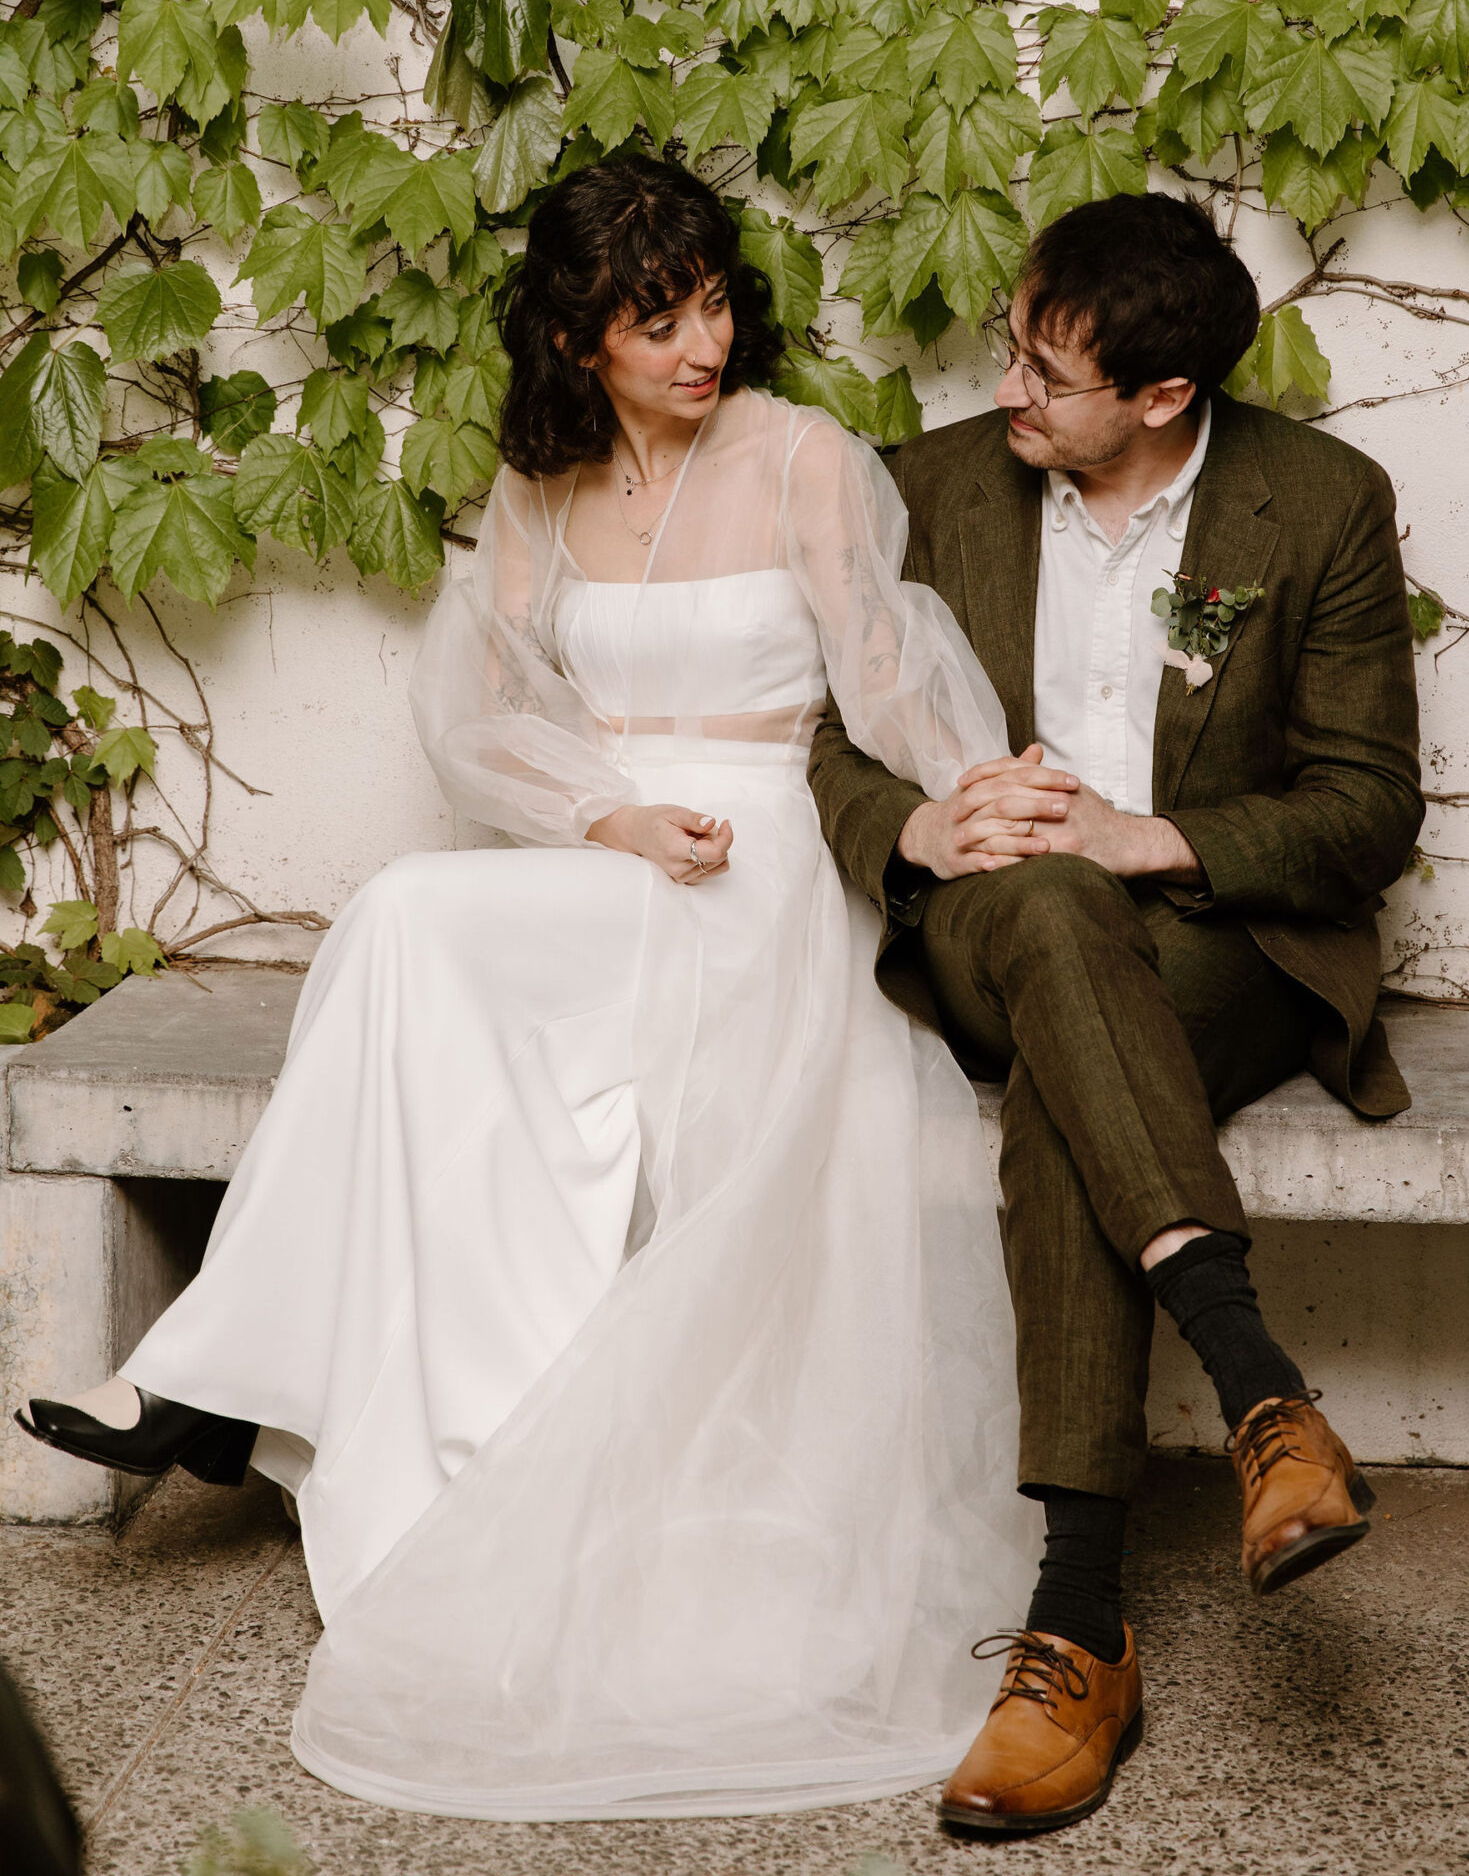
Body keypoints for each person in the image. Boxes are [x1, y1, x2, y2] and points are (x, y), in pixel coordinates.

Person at [14, 156, 1040, 1820]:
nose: (701, 342)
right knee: (412, 923)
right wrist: (605, 810)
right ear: (575, 341)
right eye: (657, 319)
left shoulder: (803, 458)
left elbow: (883, 674)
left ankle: (211, 1377)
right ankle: (215, 1374)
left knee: (412, 927)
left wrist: (968, 796)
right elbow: (476, 713)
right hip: (620, 847)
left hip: (762, 854)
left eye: (712, 301)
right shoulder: (542, 484)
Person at [811, 190, 1424, 1838]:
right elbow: (824, 744)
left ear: (1164, 397)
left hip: (1218, 942)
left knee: (1073, 1056)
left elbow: (1370, 809)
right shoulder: (927, 490)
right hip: (989, 927)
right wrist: (922, 827)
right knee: (1052, 914)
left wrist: (1157, 836)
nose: (1007, 387)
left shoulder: (1319, 502)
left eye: (1049, 373)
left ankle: (1079, 1626)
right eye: (1012, 345)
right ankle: (1258, 1389)